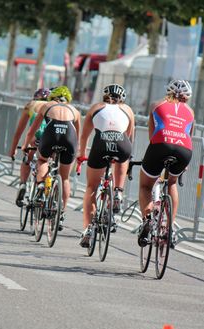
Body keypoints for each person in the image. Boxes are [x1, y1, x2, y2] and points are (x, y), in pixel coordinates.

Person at [138, 79, 194, 247]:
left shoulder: (156, 104)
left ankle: (147, 219)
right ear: (187, 97)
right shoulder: (190, 111)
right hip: (184, 150)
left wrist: (155, 156)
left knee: (146, 186)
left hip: (160, 145)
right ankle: (169, 228)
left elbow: (152, 134)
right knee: (172, 183)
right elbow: (188, 135)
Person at [78, 83, 135, 248]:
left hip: (100, 144)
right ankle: (118, 192)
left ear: (104, 97)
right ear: (121, 99)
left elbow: (84, 137)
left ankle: (88, 229)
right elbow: (129, 136)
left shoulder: (96, 107)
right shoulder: (128, 110)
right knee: (123, 157)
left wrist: (82, 155)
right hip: (122, 144)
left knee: (91, 188)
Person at [22, 86, 81, 230]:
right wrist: (77, 153)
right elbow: (78, 137)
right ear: (68, 99)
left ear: (52, 97)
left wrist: (25, 145)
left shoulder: (46, 106)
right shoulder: (75, 111)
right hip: (69, 139)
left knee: (42, 159)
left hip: (51, 136)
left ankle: (41, 184)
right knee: (65, 178)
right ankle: (61, 212)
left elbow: (32, 130)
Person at [9, 88, 51, 207]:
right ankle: (46, 186)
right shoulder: (52, 105)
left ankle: (23, 184)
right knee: (46, 160)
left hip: (36, 136)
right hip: (51, 137)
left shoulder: (31, 105)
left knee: (28, 156)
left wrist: (13, 151)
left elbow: (18, 132)